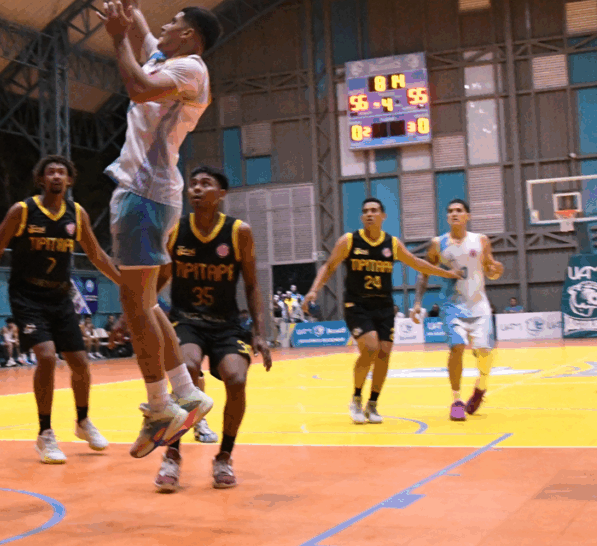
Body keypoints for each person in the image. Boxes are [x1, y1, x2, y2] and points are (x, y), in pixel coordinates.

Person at [96, 0, 220, 457]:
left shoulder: (189, 69)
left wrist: (115, 40)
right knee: (146, 305)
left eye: (173, 23)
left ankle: (159, 407)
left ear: (189, 35)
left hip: (145, 196)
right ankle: (186, 393)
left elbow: (137, 86)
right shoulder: (164, 56)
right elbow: (132, 5)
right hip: (149, 195)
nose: (162, 26)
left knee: (135, 308)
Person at [0, 155, 122, 464]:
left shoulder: (77, 214)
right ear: (41, 179)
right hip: (27, 295)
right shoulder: (23, 211)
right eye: (50, 172)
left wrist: (124, 283)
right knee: (47, 356)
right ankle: (45, 433)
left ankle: (83, 421)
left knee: (80, 362)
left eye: (61, 172)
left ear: (69, 180)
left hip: (60, 296)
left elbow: (96, 254)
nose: (56, 176)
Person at [151, 167, 273, 492]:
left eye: (206, 184)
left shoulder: (238, 231)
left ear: (221, 194)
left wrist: (259, 333)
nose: (197, 189)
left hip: (226, 324)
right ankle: (172, 455)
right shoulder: (176, 230)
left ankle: (224, 456)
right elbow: (162, 277)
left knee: (237, 379)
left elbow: (252, 285)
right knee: (188, 368)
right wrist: (135, 311)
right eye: (193, 184)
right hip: (186, 320)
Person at [302, 197, 458, 425]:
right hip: (357, 304)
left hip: (384, 306)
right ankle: (356, 399)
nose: (369, 214)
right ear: (362, 216)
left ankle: (372, 403)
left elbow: (417, 263)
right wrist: (314, 290)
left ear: (383, 216)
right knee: (370, 347)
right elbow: (329, 266)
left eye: (374, 210)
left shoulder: (391, 244)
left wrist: (446, 273)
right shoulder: (349, 241)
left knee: (384, 353)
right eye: (366, 211)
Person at [411, 199, 504, 421]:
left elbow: (490, 269)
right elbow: (424, 272)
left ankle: (481, 388)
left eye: (459, 211)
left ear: (467, 216)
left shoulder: (480, 240)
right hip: (451, 304)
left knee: (484, 351)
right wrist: (417, 303)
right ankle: (456, 401)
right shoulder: (438, 243)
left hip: (479, 304)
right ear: (447, 217)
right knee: (457, 347)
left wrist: (496, 270)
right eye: (451, 211)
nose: (454, 214)